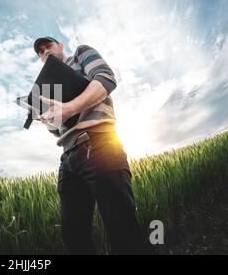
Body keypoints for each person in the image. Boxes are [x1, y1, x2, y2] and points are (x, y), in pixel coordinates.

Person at [33, 37, 152, 255]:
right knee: (74, 236)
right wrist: (46, 117)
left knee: (123, 230)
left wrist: (69, 108)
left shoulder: (81, 54)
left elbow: (106, 79)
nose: (45, 52)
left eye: (47, 46)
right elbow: (56, 130)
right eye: (40, 52)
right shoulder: (48, 85)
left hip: (99, 144)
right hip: (67, 157)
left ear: (59, 46)